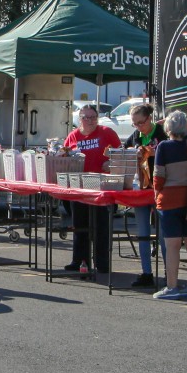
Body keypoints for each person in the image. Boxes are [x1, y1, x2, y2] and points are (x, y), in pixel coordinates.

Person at [62, 104, 122, 275]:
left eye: (93, 117)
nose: (90, 121)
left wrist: (111, 163)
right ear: (79, 119)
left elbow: (120, 153)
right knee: (79, 225)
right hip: (79, 186)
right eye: (86, 117)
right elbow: (64, 156)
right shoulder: (73, 136)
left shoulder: (107, 132)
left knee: (101, 226)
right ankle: (79, 261)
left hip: (101, 186)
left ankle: (102, 263)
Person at [151, 110, 187, 299]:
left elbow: (158, 176)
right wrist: (185, 122)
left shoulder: (163, 147)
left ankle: (172, 286)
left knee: (172, 244)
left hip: (170, 199)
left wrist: (157, 196)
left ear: (167, 129)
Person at [122, 102, 163, 289]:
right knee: (143, 232)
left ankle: (170, 275)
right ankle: (146, 272)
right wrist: (131, 153)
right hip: (140, 189)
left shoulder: (161, 133)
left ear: (149, 118)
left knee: (163, 234)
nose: (139, 127)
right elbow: (122, 152)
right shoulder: (136, 136)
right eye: (135, 124)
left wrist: (156, 153)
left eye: (141, 123)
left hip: (161, 188)